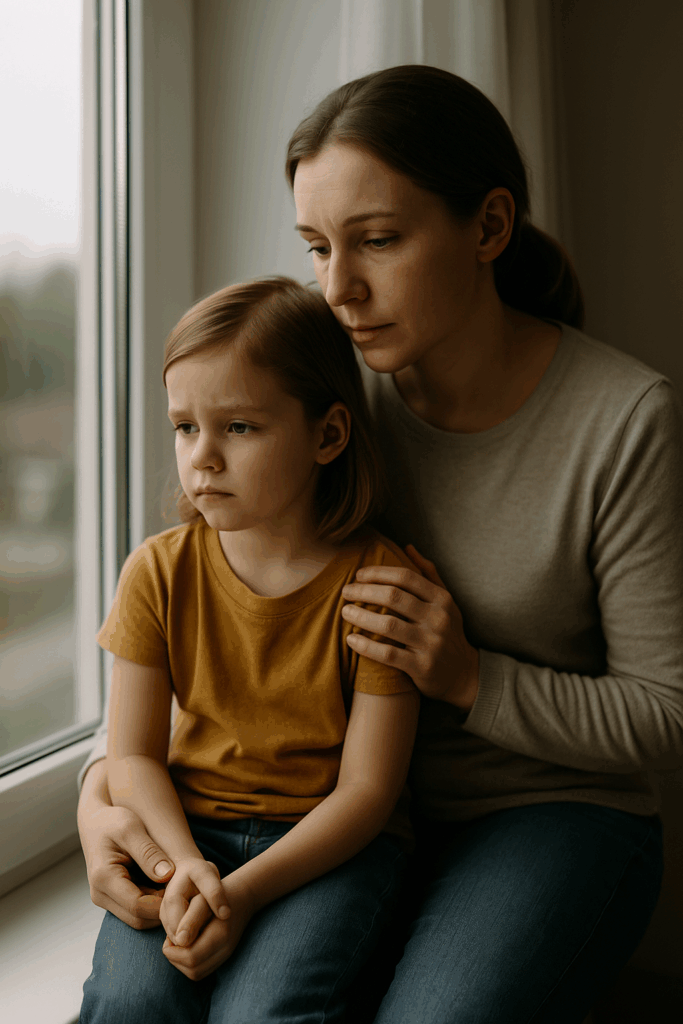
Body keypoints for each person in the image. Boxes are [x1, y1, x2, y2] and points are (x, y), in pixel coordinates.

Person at [77, 65, 683, 1023]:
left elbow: (666, 714)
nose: (338, 289)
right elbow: (206, 609)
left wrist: (469, 677)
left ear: (488, 227)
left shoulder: (623, 421)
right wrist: (98, 792)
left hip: (536, 814)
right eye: (317, 247)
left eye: (378, 241)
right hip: (318, 822)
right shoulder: (311, 394)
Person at [78, 275, 421, 1024]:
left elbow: (367, 793)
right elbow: (130, 757)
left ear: (327, 436)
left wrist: (242, 891)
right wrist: (185, 867)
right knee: (126, 1005)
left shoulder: (380, 585)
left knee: (262, 1013)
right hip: (186, 828)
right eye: (184, 427)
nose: (202, 457)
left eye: (238, 427)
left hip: (324, 851)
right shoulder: (157, 573)